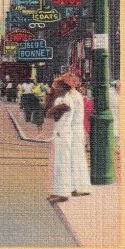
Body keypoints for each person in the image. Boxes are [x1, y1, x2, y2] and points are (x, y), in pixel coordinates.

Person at [46, 73, 91, 203]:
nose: (54, 88)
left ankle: (65, 191)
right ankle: (77, 187)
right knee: (71, 160)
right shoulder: (72, 95)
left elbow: (53, 114)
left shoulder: (68, 98)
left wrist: (51, 107)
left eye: (56, 86)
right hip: (70, 130)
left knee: (65, 161)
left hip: (69, 130)